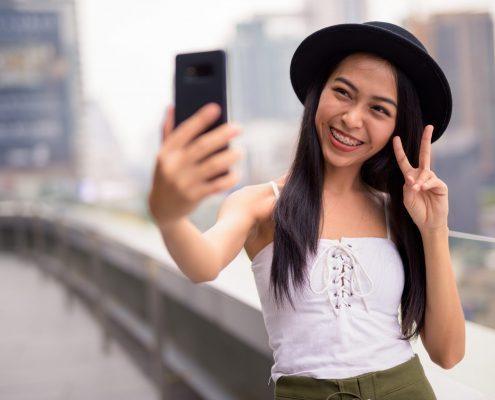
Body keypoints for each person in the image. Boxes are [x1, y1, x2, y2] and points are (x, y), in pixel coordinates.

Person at [149, 21, 466, 400]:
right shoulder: (261, 204)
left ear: (398, 129)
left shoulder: (399, 213)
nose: (351, 118)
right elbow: (202, 264)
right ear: (318, 94)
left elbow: (447, 354)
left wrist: (434, 229)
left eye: (378, 109)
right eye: (343, 92)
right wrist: (168, 215)